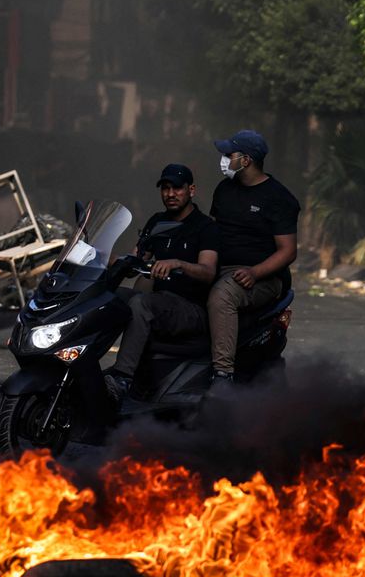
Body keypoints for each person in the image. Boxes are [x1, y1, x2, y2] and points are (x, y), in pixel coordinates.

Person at [104, 163, 220, 403]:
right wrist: (107, 258)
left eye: (177, 188)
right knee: (113, 299)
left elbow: (208, 271)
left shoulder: (205, 227)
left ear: (191, 190)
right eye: (165, 188)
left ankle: (123, 378)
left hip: (190, 309)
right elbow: (137, 258)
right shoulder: (157, 222)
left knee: (140, 304)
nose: (170, 194)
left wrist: (179, 263)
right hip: (160, 302)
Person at [206, 130, 300, 389]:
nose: (224, 159)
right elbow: (212, 231)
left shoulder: (279, 198)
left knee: (222, 296)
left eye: (229, 154)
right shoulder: (224, 189)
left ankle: (223, 375)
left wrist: (255, 273)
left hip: (261, 277)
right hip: (220, 267)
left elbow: (288, 251)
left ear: (246, 160)